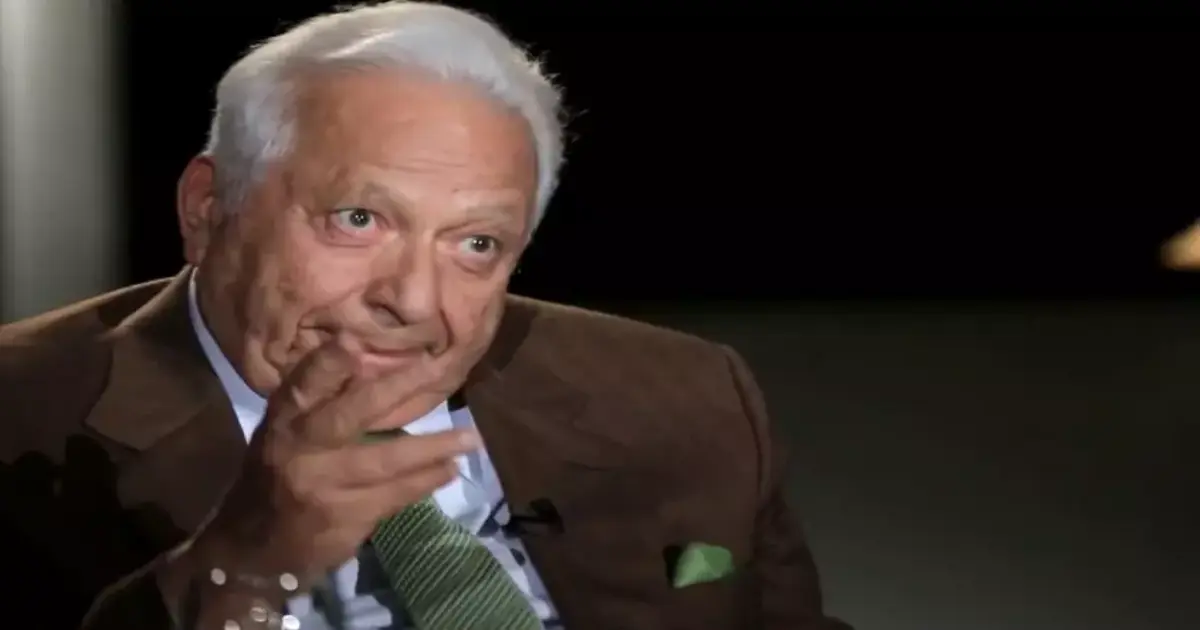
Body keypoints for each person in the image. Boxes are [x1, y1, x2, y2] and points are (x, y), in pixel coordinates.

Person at [0, 3, 850, 629]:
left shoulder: (686, 397)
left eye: (476, 244)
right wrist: (244, 563)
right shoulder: (21, 413)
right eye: (359, 220)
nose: (411, 300)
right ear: (207, 207)